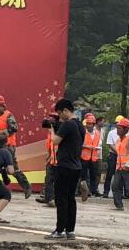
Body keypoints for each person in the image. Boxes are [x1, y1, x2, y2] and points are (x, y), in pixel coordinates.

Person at [46, 98, 83, 240]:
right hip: (76, 166)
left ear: (66, 111)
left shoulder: (68, 125)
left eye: (60, 114)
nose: (60, 117)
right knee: (71, 199)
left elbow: (55, 141)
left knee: (61, 199)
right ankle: (70, 230)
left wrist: (52, 130)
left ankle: (59, 230)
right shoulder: (80, 125)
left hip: (64, 166)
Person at [0, 94, 31, 198]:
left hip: (8, 146)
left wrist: (1, 132)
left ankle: (26, 186)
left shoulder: (8, 115)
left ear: (2, 106)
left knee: (12, 169)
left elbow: (14, 128)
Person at [80, 114, 102, 198]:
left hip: (94, 157)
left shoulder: (97, 133)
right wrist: (86, 146)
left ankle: (92, 191)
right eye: (87, 124)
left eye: (90, 124)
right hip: (84, 157)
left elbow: (99, 143)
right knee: (83, 176)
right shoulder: (83, 132)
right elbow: (79, 144)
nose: (88, 125)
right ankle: (84, 191)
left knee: (94, 175)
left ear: (93, 124)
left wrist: (97, 148)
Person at [101, 115, 123, 197]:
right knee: (109, 174)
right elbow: (110, 144)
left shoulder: (126, 133)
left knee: (121, 175)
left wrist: (121, 153)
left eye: (119, 123)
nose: (118, 124)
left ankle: (120, 193)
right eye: (117, 122)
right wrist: (118, 151)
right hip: (113, 155)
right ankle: (106, 192)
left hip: (122, 157)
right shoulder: (111, 133)